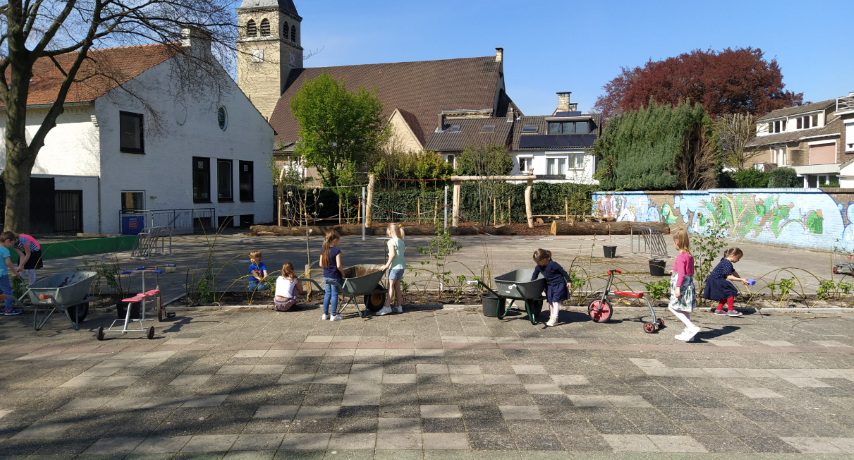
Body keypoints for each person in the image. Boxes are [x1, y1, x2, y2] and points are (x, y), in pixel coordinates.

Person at [668, 229, 700, 341]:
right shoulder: (689, 255)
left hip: (681, 286)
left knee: (672, 307)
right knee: (684, 309)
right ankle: (688, 332)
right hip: (688, 285)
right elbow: (687, 271)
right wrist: (674, 270)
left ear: (677, 243)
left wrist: (677, 288)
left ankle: (691, 327)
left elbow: (682, 273)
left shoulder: (681, 256)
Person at [531, 248, 572, 327]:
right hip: (549, 285)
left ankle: (554, 318)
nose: (537, 263)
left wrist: (569, 281)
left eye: (538, 262)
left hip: (559, 284)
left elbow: (563, 272)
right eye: (536, 262)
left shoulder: (553, 264)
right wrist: (532, 282)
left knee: (555, 301)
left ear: (545, 259)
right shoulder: (539, 267)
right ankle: (551, 316)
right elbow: (535, 274)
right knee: (550, 301)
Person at [703, 247, 748, 317]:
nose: (738, 260)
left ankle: (719, 310)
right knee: (730, 291)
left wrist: (741, 279)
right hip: (717, 280)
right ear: (733, 255)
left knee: (725, 294)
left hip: (714, 279)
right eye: (738, 258)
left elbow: (734, 272)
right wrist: (741, 280)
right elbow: (729, 277)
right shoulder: (727, 263)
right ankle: (730, 311)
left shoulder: (726, 261)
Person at [377, 223, 405, 316]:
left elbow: (392, 255)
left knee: (390, 287)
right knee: (397, 288)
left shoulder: (391, 242)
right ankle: (399, 307)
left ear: (390, 231)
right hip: (401, 267)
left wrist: (386, 265)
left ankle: (387, 307)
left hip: (394, 268)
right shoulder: (401, 242)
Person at [320, 230, 344, 321]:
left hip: (326, 275)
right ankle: (333, 314)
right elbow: (338, 266)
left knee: (327, 294)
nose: (338, 243)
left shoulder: (324, 250)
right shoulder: (337, 251)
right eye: (338, 241)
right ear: (334, 240)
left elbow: (321, 264)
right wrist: (342, 272)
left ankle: (325, 314)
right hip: (335, 276)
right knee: (334, 295)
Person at [0, 232, 21, 315]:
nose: (12, 245)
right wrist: (15, 272)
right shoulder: (5, 250)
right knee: (8, 291)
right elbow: (9, 263)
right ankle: (9, 309)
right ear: (7, 241)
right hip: (2, 274)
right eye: (12, 243)